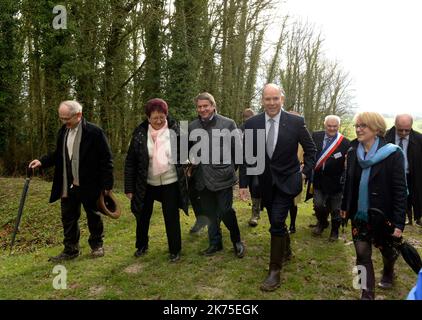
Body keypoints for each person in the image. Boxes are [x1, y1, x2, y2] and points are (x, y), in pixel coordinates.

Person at [239, 83, 317, 291]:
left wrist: (303, 174)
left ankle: (274, 271)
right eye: (267, 99)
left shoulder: (295, 122)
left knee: (276, 221)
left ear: (282, 99)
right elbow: (247, 155)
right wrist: (243, 183)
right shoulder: (252, 123)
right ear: (262, 100)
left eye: (276, 99)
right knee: (276, 220)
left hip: (288, 182)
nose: (272, 103)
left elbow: (311, 151)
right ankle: (287, 248)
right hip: (265, 184)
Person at [29, 100, 114, 262]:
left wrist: (107, 185)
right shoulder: (63, 132)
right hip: (67, 184)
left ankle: (97, 246)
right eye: (61, 118)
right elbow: (58, 155)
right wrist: (41, 162)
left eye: (66, 118)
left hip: (90, 184)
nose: (64, 121)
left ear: (79, 115)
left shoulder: (95, 133)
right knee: (68, 217)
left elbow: (106, 160)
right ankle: (70, 250)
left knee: (93, 215)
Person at [340, 112, 407, 300]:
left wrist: (399, 224)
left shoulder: (393, 153)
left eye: (364, 126)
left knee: (387, 249)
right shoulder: (353, 151)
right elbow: (349, 182)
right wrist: (345, 205)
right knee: (361, 253)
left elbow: (400, 191)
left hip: (383, 214)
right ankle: (365, 293)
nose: (358, 129)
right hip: (359, 214)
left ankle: (388, 271)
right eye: (357, 126)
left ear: (376, 130)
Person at [124, 98, 188, 262]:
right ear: (148, 118)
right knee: (142, 216)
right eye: (155, 118)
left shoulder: (176, 131)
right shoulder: (139, 134)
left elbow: (185, 154)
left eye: (162, 117)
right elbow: (131, 162)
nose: (159, 121)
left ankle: (175, 250)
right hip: (146, 183)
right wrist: (129, 188)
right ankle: (141, 246)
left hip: (170, 182)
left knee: (171, 216)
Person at [188, 92, 245, 258]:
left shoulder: (228, 124)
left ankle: (237, 241)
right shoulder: (192, 127)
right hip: (202, 179)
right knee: (209, 212)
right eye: (199, 107)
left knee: (226, 211)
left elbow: (238, 151)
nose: (203, 109)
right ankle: (215, 243)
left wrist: (228, 169)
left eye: (206, 106)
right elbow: (189, 151)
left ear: (213, 106)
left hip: (223, 178)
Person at [311, 115, 350, 241]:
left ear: (339, 126)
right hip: (318, 179)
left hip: (336, 182)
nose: (332, 128)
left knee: (336, 209)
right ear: (324, 124)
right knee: (318, 205)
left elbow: (348, 163)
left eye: (335, 126)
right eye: (329, 126)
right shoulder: (315, 136)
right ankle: (322, 222)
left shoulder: (345, 142)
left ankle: (334, 231)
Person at [385, 114, 422, 227]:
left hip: (413, 174)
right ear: (395, 124)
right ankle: (398, 219)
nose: (404, 133)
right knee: (398, 198)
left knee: (415, 196)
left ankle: (417, 218)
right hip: (393, 175)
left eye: (407, 130)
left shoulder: (419, 139)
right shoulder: (385, 137)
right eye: (400, 130)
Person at [239, 108, 262, 227]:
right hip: (245, 162)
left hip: (259, 163)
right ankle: (257, 209)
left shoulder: (261, 128)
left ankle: (255, 213)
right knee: (250, 187)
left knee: (256, 185)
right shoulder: (240, 130)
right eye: (247, 119)